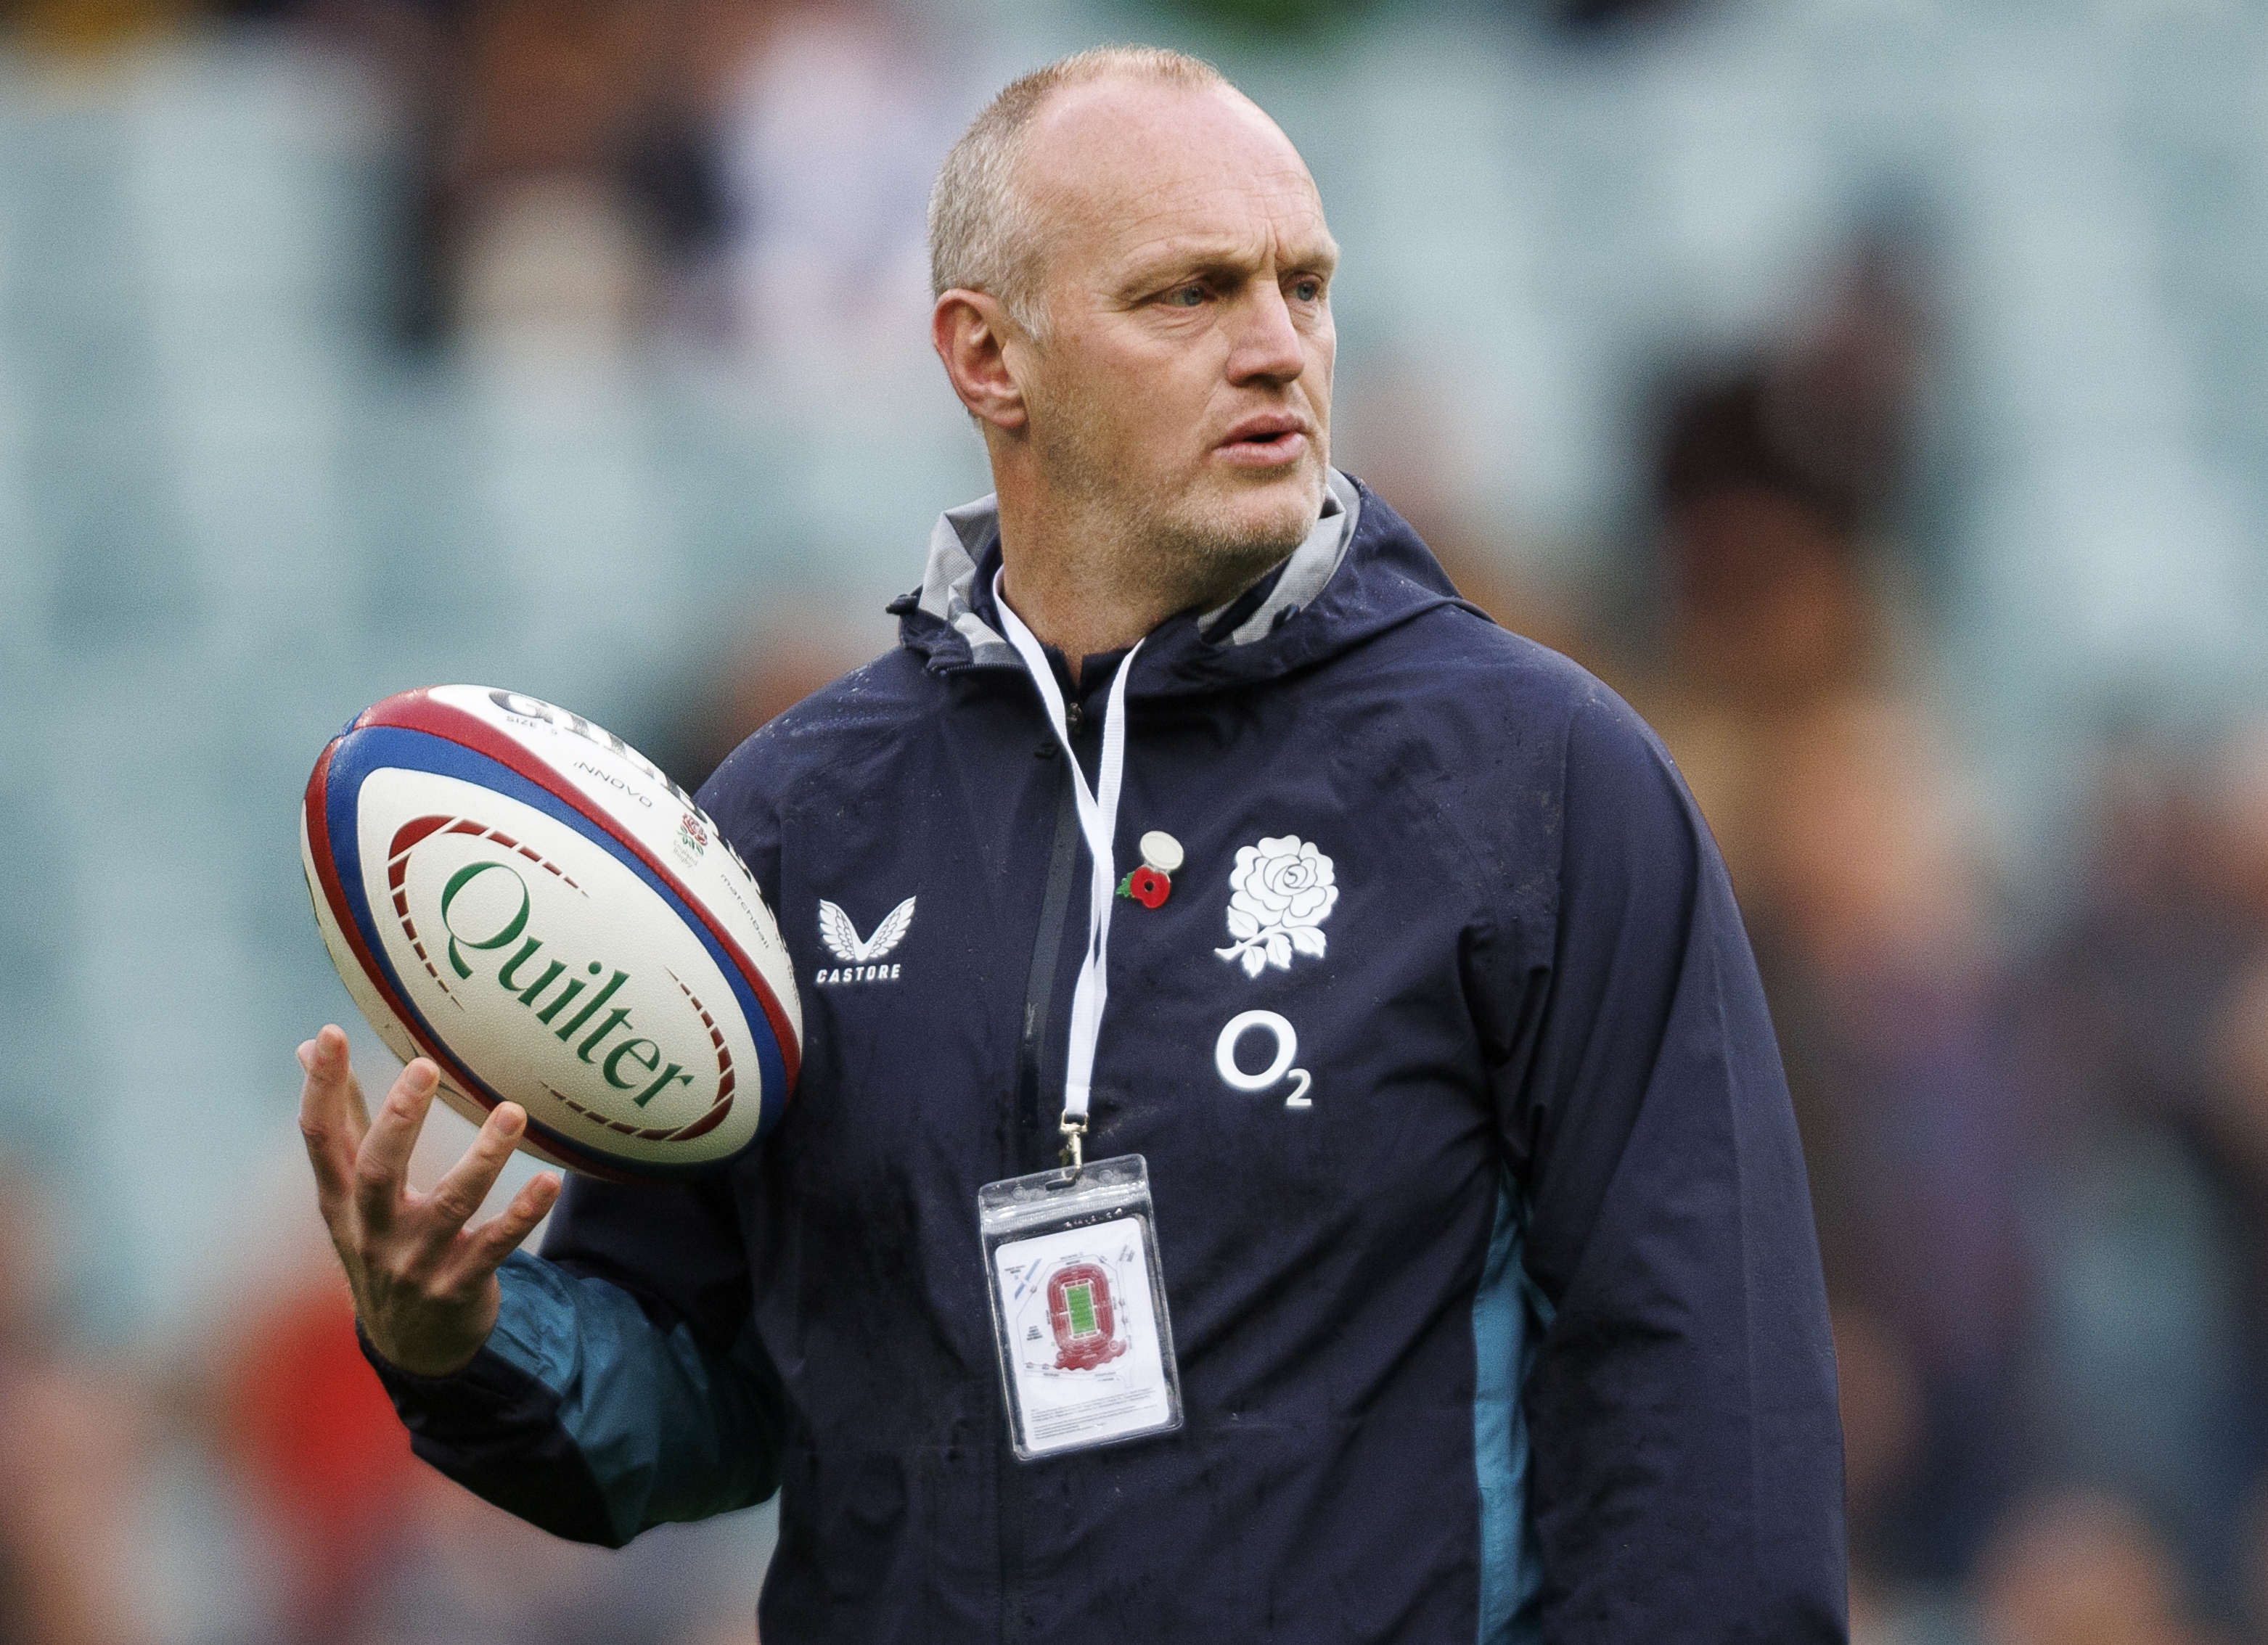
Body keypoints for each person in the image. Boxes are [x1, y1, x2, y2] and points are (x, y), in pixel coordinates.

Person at [297, 46, 1847, 1643]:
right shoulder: (792, 824)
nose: (1276, 350)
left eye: (1302, 287)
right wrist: (461, 1334)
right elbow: (693, 1409)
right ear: (988, 358)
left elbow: (1708, 1411)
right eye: (1188, 294)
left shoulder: (1540, 779)